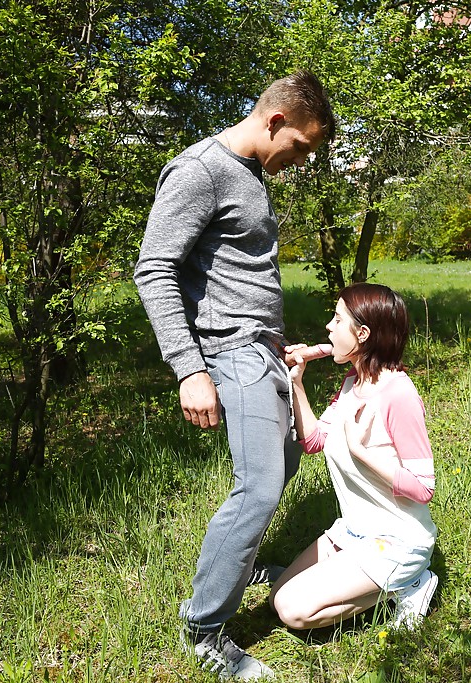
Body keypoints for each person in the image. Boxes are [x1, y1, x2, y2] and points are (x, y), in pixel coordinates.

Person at [133, 70, 335, 681]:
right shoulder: (199, 171)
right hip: (230, 351)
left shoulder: (248, 174)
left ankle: (239, 565)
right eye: (300, 146)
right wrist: (189, 369)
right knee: (261, 485)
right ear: (275, 122)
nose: (300, 160)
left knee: (288, 457)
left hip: (264, 348)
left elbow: (236, 272)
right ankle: (206, 627)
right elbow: (154, 270)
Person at [269, 283, 439, 632]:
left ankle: (410, 584)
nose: (328, 328)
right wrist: (296, 382)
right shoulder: (353, 382)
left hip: (398, 542)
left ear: (362, 334)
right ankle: (384, 583)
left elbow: (423, 488)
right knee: (276, 595)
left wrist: (362, 453)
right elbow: (315, 441)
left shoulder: (398, 394)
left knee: (292, 611)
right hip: (354, 532)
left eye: (337, 319)